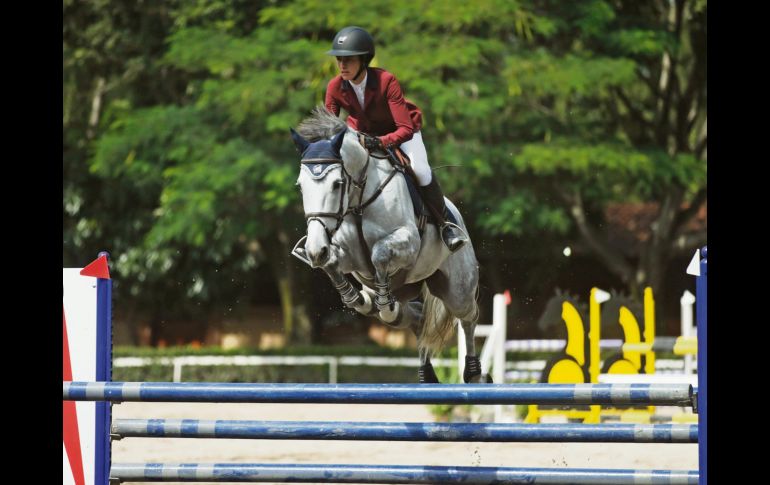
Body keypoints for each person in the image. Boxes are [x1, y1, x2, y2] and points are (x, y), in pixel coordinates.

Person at [324, 26, 467, 253]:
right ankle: (325, 234)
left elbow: (405, 128)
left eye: (348, 60)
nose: (342, 65)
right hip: (363, 136)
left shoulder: (385, 81)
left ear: (363, 60)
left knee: (420, 169)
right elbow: (328, 126)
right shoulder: (334, 86)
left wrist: (380, 143)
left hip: (401, 133)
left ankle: (445, 225)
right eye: (339, 59)